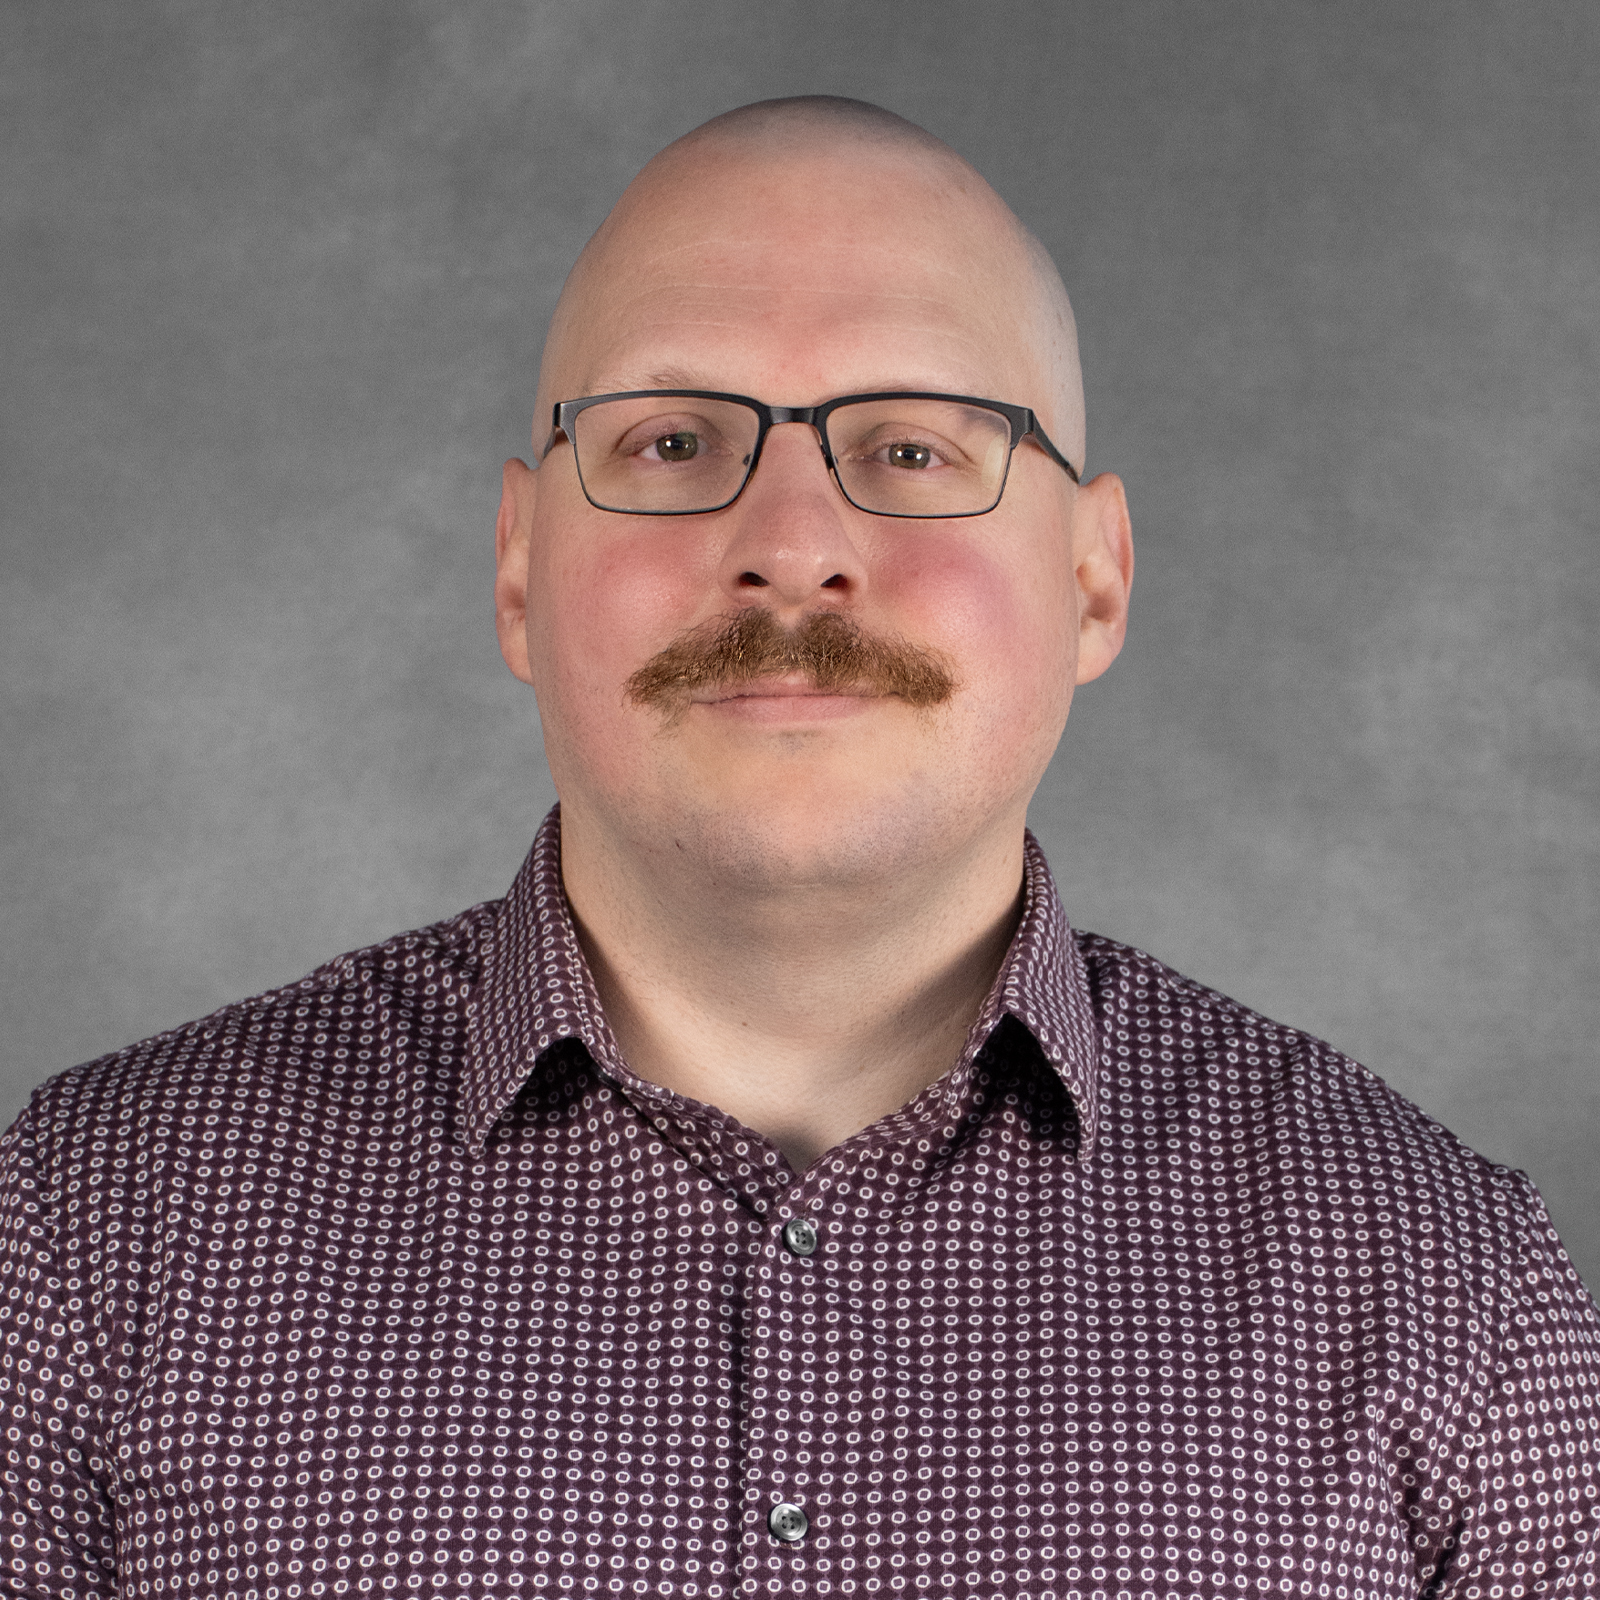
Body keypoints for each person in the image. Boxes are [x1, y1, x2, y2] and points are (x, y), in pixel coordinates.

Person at [1, 95, 1594, 1600]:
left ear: (1096, 582)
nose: (788, 549)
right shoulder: (86, 1238)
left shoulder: (1449, 1293)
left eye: (911, 447)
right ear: (516, 569)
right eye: (672, 444)